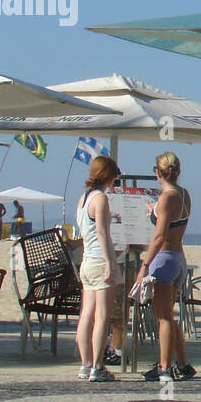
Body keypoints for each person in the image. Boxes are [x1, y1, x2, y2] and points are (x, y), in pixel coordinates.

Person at [138, 151, 195, 383]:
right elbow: (172, 223)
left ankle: (164, 367)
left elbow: (159, 236)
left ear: (158, 172)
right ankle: (182, 364)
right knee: (169, 317)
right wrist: (154, 211)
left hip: (163, 258)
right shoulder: (183, 194)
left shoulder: (166, 198)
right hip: (179, 256)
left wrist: (144, 265)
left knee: (162, 317)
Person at [75, 155, 122, 382]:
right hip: (99, 260)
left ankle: (85, 365)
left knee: (86, 315)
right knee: (102, 317)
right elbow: (102, 233)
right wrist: (110, 263)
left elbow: (91, 230)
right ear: (108, 176)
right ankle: (97, 366)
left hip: (86, 261)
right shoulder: (101, 198)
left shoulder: (83, 199)